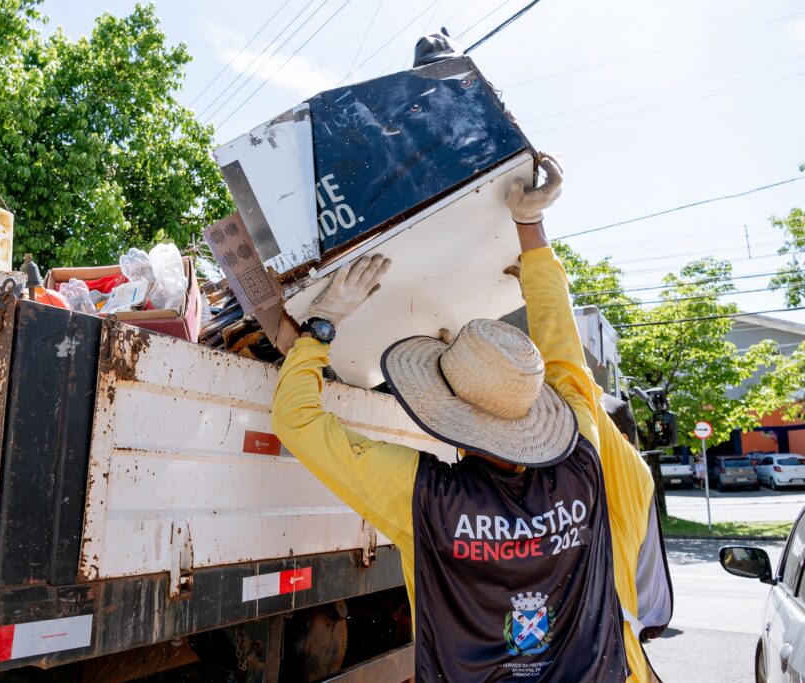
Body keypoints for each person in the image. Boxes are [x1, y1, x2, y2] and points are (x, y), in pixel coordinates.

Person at [272, 156, 665, 681]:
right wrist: (531, 224)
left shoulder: (423, 495)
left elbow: (296, 420)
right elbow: (566, 352)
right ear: (533, 413)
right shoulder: (584, 466)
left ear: (448, 415)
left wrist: (321, 325)